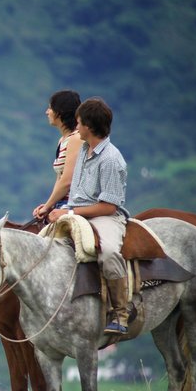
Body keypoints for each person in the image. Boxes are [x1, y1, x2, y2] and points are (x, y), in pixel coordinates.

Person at [47, 98, 130, 335]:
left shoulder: (111, 159)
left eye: (80, 122)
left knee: (109, 253)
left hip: (104, 217)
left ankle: (121, 313)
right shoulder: (84, 149)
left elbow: (109, 207)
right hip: (77, 213)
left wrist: (70, 211)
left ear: (89, 127)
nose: (76, 125)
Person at [32, 90, 81, 220]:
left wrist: (47, 207)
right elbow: (59, 179)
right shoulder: (62, 140)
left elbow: (67, 181)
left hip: (73, 206)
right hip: (61, 205)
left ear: (60, 112)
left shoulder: (76, 139)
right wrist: (50, 205)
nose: (47, 112)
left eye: (50, 108)